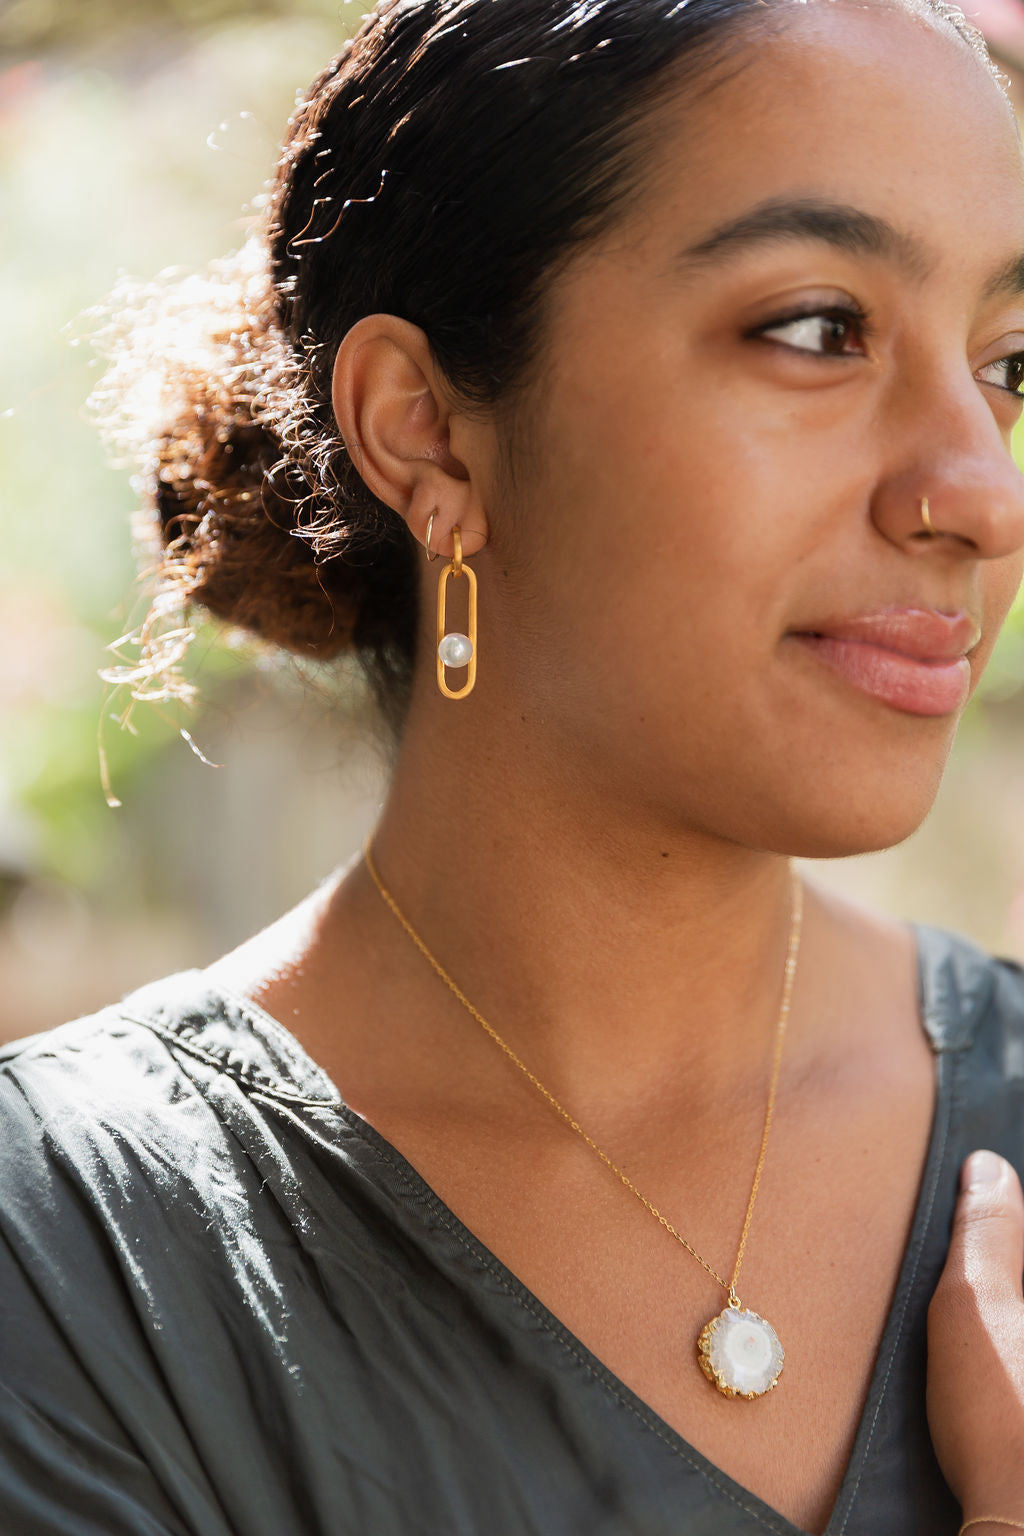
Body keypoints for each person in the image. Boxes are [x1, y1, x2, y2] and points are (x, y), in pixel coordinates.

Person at [4, 0, 1024, 1531]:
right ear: (427, 434)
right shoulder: (77, 1260)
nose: (983, 493)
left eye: (1013, 363)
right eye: (819, 329)